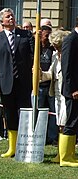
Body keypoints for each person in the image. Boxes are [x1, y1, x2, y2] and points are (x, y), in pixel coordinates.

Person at [0, 8, 34, 157]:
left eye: (12, 16)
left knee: (25, 114)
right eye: (8, 17)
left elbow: (33, 54)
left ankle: (26, 146)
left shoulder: (25, 35)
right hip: (6, 83)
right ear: (2, 21)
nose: (11, 19)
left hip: (24, 83)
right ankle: (12, 147)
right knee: (10, 115)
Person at [40, 29, 71, 162]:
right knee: (60, 123)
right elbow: (50, 75)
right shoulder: (54, 56)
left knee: (64, 124)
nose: (57, 49)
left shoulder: (71, 56)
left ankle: (65, 155)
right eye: (55, 46)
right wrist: (40, 74)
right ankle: (61, 153)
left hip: (68, 93)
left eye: (59, 46)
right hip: (57, 94)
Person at [59, 18, 78, 167]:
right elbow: (66, 68)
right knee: (71, 121)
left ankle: (71, 154)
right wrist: (72, 89)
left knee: (75, 120)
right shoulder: (70, 40)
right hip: (73, 90)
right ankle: (65, 158)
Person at [38, 18, 58, 145]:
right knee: (39, 111)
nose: (48, 39)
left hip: (50, 85)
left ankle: (51, 137)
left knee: (52, 112)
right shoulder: (36, 49)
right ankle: (40, 135)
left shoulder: (52, 50)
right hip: (38, 86)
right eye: (46, 36)